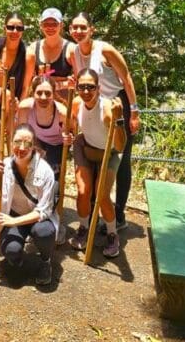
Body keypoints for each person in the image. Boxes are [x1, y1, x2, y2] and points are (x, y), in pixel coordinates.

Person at [68, 12, 140, 229]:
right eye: (75, 28)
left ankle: (118, 214)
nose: (79, 32)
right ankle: (94, 211)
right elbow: (81, 80)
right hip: (94, 105)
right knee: (95, 152)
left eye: (83, 27)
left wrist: (134, 113)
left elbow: (126, 78)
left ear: (92, 29)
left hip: (118, 104)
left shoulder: (105, 50)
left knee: (121, 156)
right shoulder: (74, 53)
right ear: (70, 30)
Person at [66, 69, 126, 259]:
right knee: (84, 192)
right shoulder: (76, 103)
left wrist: (119, 121)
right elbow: (70, 125)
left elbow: (120, 145)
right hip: (85, 147)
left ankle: (112, 233)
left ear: (99, 88)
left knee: (102, 195)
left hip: (109, 153)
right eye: (81, 87)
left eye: (90, 87)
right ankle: (83, 227)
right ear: (76, 88)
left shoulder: (108, 110)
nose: (85, 91)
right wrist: (68, 133)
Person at [0, 124, 58, 286]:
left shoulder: (45, 170)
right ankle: (18, 260)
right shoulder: (4, 166)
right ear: (11, 143)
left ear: (34, 147)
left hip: (36, 218)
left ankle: (45, 261)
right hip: (13, 214)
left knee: (44, 232)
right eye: (17, 142)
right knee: (11, 250)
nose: (21, 147)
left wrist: (13, 222)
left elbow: (44, 211)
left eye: (27, 143)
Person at [16, 74, 67, 175]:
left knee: (51, 178)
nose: (43, 97)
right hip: (35, 141)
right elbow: (22, 134)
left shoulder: (62, 113)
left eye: (48, 93)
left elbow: (70, 134)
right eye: (39, 93)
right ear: (33, 93)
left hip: (56, 145)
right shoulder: (25, 108)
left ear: (54, 94)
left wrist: (68, 139)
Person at [23, 7, 73, 100]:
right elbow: (27, 83)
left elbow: (78, 81)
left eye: (54, 24)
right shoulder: (33, 48)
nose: (50, 27)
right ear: (40, 25)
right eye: (46, 24)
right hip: (39, 102)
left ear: (61, 25)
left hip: (63, 105)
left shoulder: (71, 49)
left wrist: (55, 84)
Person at [0, 11, 27, 99]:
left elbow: (26, 87)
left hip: (15, 104)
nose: (15, 31)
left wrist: (20, 109)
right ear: (4, 28)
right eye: (10, 27)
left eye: (19, 28)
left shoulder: (27, 54)